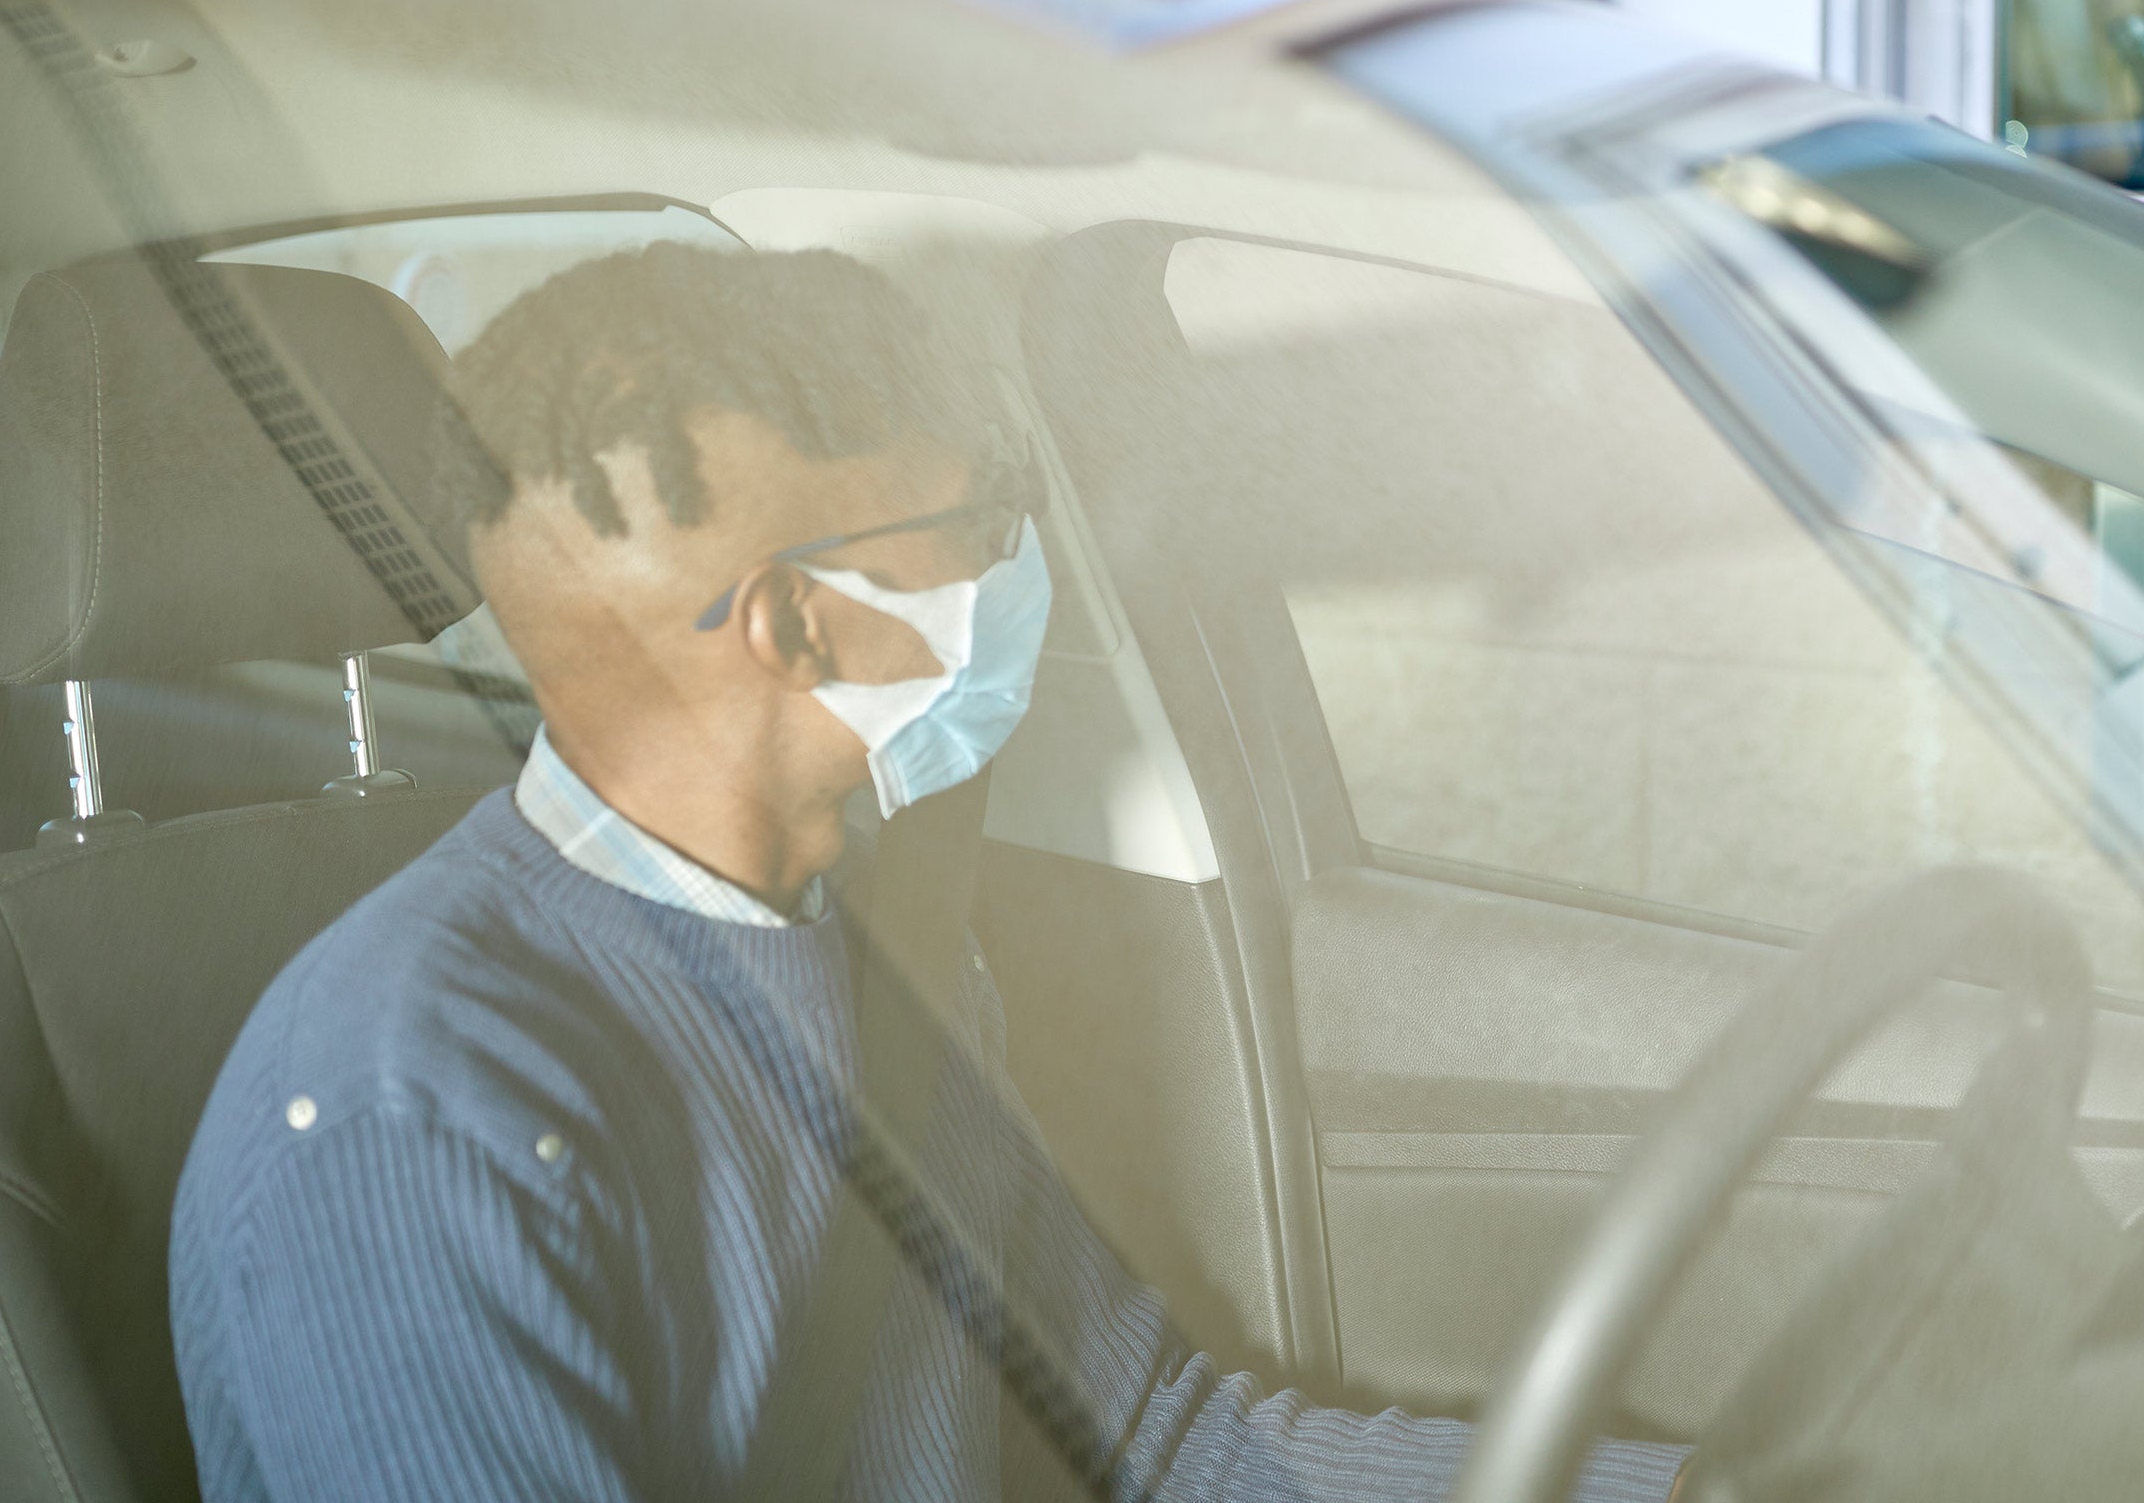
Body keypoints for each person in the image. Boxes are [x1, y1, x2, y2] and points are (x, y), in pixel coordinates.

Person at [169, 245, 1686, 1502]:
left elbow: (1150, 1444)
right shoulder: (409, 1116)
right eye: (976, 535)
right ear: (799, 628)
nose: (1013, 576)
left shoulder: (876, 950)